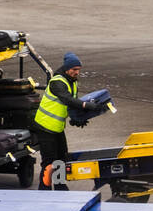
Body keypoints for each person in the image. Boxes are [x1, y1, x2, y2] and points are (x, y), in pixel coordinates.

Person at [32, 53, 102, 190]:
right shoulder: (57, 82)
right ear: (66, 68)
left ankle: (59, 186)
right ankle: (44, 190)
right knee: (49, 162)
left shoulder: (72, 82)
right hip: (45, 126)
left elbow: (71, 105)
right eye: (74, 69)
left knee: (61, 158)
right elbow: (67, 99)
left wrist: (77, 119)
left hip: (56, 127)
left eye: (79, 69)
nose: (77, 72)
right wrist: (85, 105)